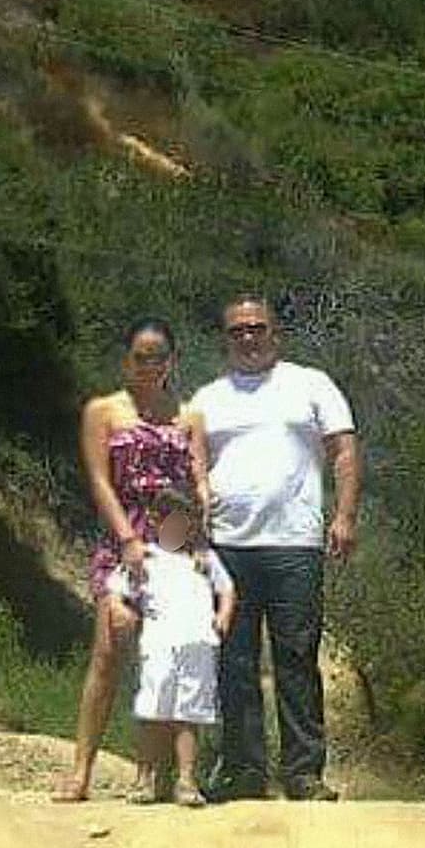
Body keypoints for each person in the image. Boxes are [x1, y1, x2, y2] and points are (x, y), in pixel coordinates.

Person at [185, 294, 361, 802]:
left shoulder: (310, 384)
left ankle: (303, 773)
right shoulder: (208, 398)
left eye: (256, 328)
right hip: (227, 547)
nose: (248, 337)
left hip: (294, 545)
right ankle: (244, 771)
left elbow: (344, 449)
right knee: (233, 662)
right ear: (226, 339)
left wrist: (345, 515)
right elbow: (193, 467)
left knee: (297, 656)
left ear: (275, 334)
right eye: (238, 330)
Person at [52, 318, 209, 802]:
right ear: (126, 359)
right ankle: (81, 771)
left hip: (176, 543)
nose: (150, 365)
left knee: (173, 657)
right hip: (125, 538)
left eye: (159, 356)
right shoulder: (103, 411)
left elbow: (198, 474)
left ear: (172, 360)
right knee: (111, 643)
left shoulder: (188, 416)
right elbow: (99, 480)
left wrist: (202, 526)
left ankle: (163, 776)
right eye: (141, 356)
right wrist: (126, 538)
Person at [107, 486, 237, 807]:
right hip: (160, 642)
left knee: (188, 713)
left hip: (198, 644)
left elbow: (228, 589)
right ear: (156, 521)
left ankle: (187, 780)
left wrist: (223, 616)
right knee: (153, 710)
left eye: (185, 523)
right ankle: (144, 778)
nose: (179, 530)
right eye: (173, 522)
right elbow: (115, 590)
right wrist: (121, 610)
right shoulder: (145, 558)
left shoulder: (204, 560)